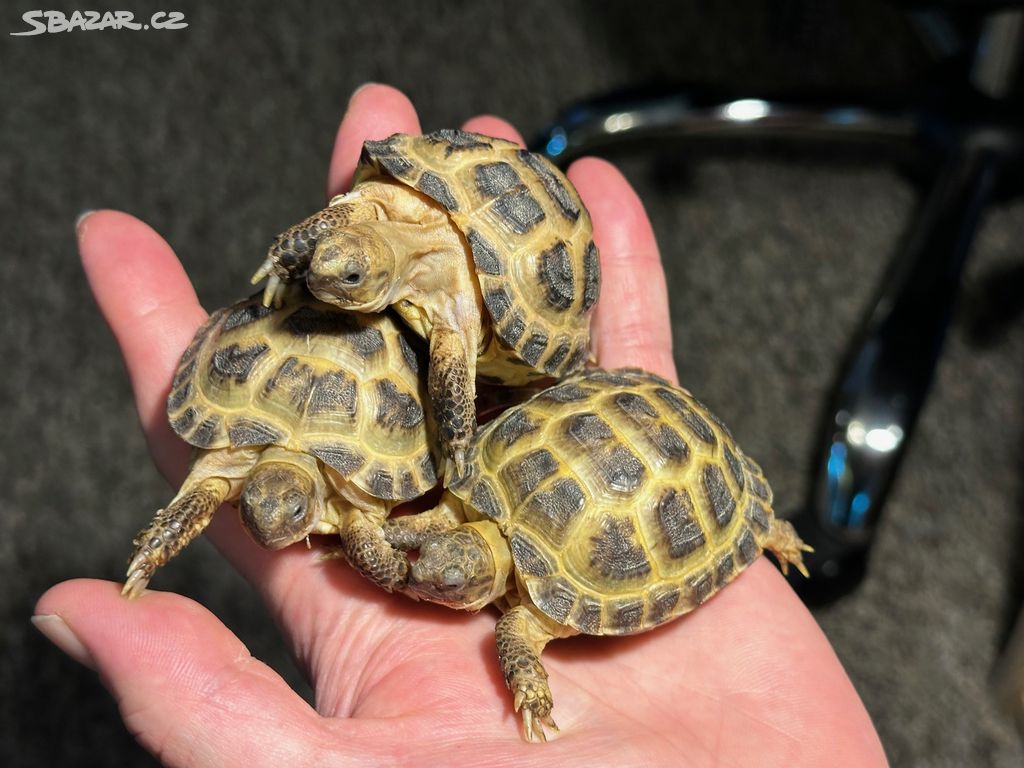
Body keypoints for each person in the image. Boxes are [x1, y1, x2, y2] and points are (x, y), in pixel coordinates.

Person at [33, 84, 889, 766]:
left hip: (567, 418)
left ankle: (756, 517)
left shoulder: (511, 595)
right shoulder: (422, 485)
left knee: (459, 396)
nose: (427, 579)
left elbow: (452, 436)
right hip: (534, 450)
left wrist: (451, 473)